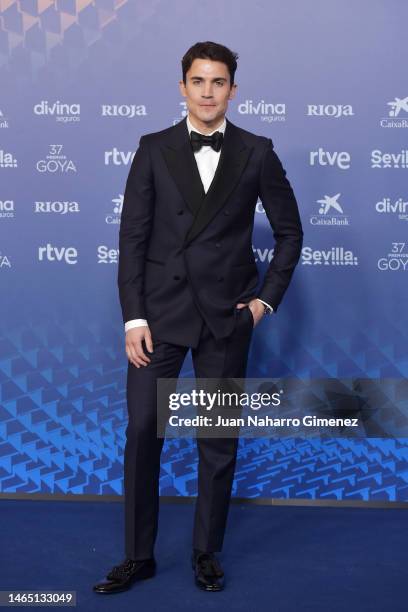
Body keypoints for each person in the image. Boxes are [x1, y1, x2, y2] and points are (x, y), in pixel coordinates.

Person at [93, 40, 303, 594]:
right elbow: (132, 238)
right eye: (198, 81)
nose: (208, 92)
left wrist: (263, 302)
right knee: (143, 432)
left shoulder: (257, 151)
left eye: (218, 82)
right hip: (158, 318)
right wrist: (132, 318)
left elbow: (290, 233)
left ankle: (206, 552)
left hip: (224, 318)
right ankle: (138, 555)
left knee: (217, 440)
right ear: (182, 86)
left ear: (233, 89)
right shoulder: (154, 147)